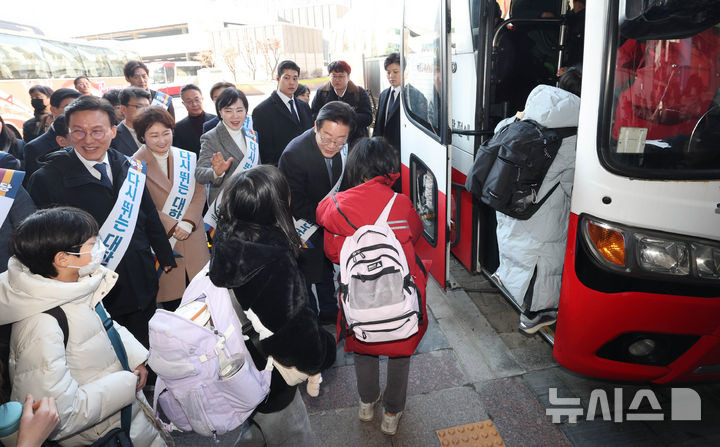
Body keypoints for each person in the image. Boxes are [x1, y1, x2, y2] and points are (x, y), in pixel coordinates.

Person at [0, 207, 164, 445]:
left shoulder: (73, 286)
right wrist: (126, 383)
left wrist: (135, 358)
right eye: (92, 243)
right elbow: (60, 415)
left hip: (122, 420)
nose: (100, 247)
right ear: (63, 259)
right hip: (102, 434)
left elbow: (104, 326)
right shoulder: (40, 326)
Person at [27, 95, 176, 348]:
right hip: (92, 289)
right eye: (79, 132)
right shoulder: (47, 179)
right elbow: (43, 243)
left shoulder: (131, 166)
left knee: (146, 344)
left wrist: (165, 254)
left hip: (140, 276)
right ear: (68, 134)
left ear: (113, 131)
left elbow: (149, 215)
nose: (88, 140)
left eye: (97, 131)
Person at [208, 165, 335, 446]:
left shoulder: (226, 235)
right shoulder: (272, 260)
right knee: (291, 434)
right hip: (271, 377)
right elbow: (295, 335)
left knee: (255, 430)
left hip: (240, 362)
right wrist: (323, 352)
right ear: (276, 206)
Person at [316, 137, 428, 436]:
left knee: (363, 345)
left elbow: (332, 253)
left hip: (359, 295)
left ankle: (367, 403)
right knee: (399, 344)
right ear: (389, 168)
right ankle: (392, 413)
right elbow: (415, 234)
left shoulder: (336, 206)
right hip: (397, 293)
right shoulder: (401, 203)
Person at [492, 67, 582, 334]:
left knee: (517, 250)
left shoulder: (525, 116)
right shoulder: (575, 137)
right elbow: (573, 186)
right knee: (543, 260)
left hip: (511, 204)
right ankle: (536, 313)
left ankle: (510, 283)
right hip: (543, 213)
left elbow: (498, 134)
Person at [278, 101, 356, 322]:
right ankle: (311, 318)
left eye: (341, 140)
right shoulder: (294, 154)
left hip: (329, 221)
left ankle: (330, 312)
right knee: (308, 272)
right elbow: (295, 201)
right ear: (315, 127)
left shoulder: (346, 148)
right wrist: (332, 219)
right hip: (303, 224)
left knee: (326, 268)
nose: (332, 145)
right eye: (327, 138)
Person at [132, 106, 209, 311]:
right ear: (142, 137)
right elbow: (141, 204)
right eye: (154, 135)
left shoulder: (186, 157)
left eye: (166, 133)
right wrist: (173, 225)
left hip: (193, 236)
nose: (162, 140)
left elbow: (199, 191)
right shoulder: (133, 165)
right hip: (164, 242)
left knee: (206, 300)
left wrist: (188, 221)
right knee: (176, 306)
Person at [196, 88, 259, 206]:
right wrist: (216, 173)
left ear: (246, 111)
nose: (235, 116)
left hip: (253, 201)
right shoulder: (211, 137)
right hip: (226, 204)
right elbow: (199, 173)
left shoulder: (252, 135)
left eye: (239, 110)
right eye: (228, 111)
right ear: (220, 112)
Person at [252, 60, 314, 166]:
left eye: (295, 78)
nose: (292, 82)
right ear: (278, 78)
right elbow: (265, 153)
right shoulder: (262, 111)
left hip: (309, 167)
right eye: (286, 78)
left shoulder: (304, 106)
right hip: (283, 170)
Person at [23, 89, 82, 179]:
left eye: (79, 107)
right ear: (53, 110)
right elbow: (36, 184)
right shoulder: (34, 147)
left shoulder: (92, 138)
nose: (76, 112)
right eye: (69, 107)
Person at [311, 61, 372, 146]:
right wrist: (329, 118)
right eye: (334, 76)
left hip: (355, 140)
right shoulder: (322, 92)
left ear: (348, 77)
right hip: (330, 141)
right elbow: (313, 114)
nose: (337, 80)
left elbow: (368, 118)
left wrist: (345, 119)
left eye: (341, 76)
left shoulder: (359, 92)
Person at [173, 84, 216, 156]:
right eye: (189, 101)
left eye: (197, 100)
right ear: (183, 104)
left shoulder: (216, 121)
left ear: (202, 99)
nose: (194, 104)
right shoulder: (178, 128)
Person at [373, 52, 402, 153]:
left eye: (395, 72)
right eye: (388, 72)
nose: (391, 76)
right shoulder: (384, 94)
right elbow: (378, 124)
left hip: (401, 152)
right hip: (382, 151)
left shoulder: (413, 96)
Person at [111, 87, 151, 157]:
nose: (145, 111)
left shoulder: (155, 130)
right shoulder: (114, 137)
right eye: (139, 107)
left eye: (147, 107)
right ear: (123, 109)